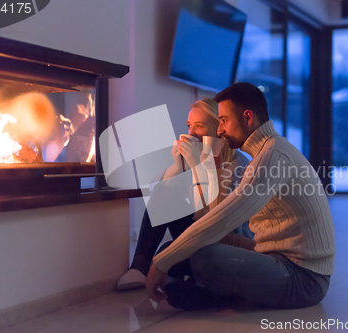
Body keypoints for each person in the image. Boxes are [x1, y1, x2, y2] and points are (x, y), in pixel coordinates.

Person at [145, 82, 336, 310]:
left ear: (247, 118)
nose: (219, 130)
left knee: (205, 259)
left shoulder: (273, 156)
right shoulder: (266, 152)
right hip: (274, 256)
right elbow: (217, 218)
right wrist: (209, 167)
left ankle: (225, 297)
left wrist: (160, 264)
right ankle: (219, 292)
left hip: (304, 278)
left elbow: (223, 220)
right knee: (175, 249)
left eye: (223, 120)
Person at [117, 98, 252, 290]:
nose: (190, 133)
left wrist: (198, 167)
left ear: (218, 130)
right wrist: (178, 166)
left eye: (199, 126)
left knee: (167, 253)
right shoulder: (196, 157)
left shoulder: (239, 165)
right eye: (189, 126)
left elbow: (214, 217)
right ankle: (139, 266)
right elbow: (157, 193)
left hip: (226, 241)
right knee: (167, 194)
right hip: (200, 235)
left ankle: (194, 280)